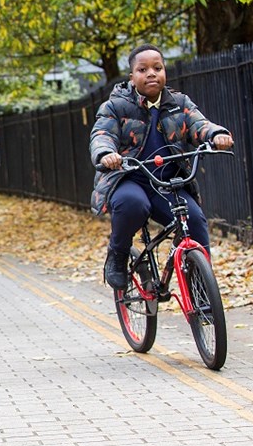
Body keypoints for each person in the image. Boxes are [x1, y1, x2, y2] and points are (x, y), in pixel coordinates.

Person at [90, 44, 234, 289]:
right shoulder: (115, 106)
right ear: (132, 77)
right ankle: (118, 253)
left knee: (195, 220)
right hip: (129, 179)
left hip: (166, 184)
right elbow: (102, 134)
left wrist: (216, 134)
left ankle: (202, 290)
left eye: (157, 68)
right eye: (142, 69)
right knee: (133, 204)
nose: (151, 74)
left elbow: (200, 124)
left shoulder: (178, 102)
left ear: (164, 71)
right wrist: (106, 153)